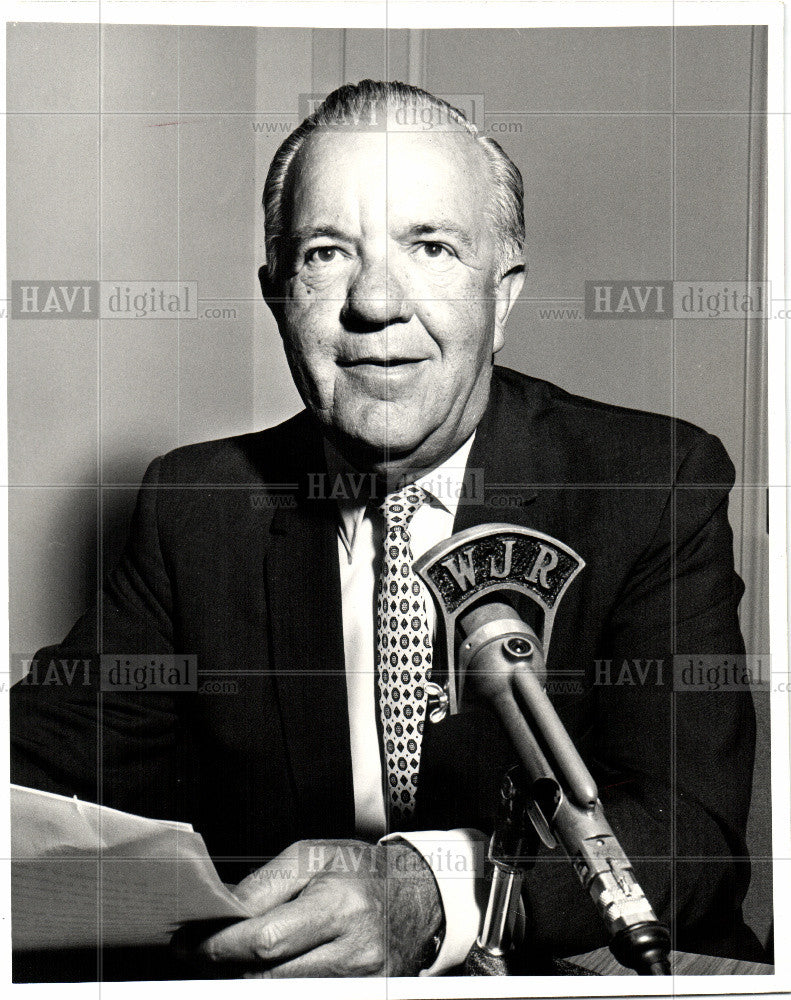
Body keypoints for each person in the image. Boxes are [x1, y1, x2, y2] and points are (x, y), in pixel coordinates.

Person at [11, 80, 764, 979]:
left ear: (504, 295)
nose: (374, 301)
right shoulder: (197, 504)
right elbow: (47, 769)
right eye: (326, 253)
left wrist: (429, 892)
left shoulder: (646, 481)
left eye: (431, 246)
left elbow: (686, 831)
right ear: (275, 294)